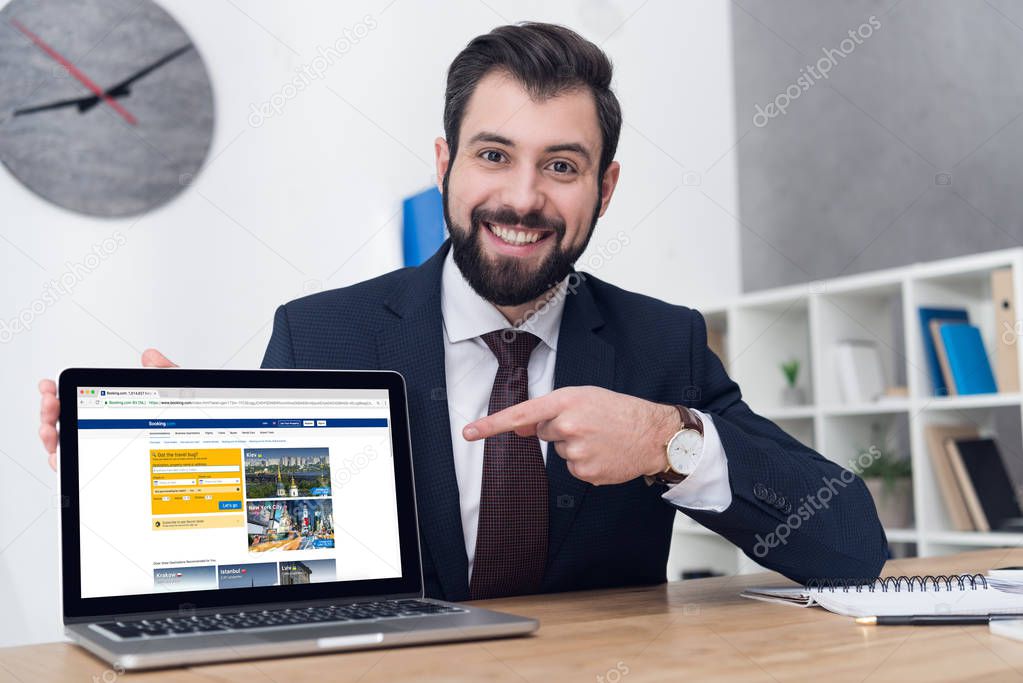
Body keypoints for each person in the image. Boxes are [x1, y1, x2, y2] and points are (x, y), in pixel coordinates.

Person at [39, 22, 887, 601]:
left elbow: (847, 548)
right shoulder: (321, 334)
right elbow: (276, 561)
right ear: (445, 162)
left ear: (605, 187)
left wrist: (668, 441)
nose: (522, 198)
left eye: (561, 165)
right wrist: (161, 472)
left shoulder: (659, 342)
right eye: (493, 155)